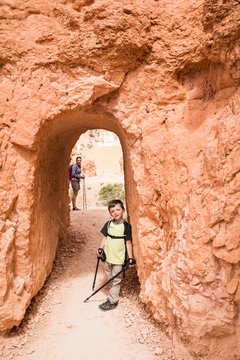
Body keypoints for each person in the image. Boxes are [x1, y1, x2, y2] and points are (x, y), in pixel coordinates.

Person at [97, 199, 135, 311]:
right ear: (110, 214)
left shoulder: (126, 227)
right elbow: (105, 238)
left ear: (123, 210)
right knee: (110, 278)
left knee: (116, 279)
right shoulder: (108, 224)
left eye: (118, 210)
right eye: (112, 211)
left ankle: (112, 301)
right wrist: (100, 249)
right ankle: (111, 296)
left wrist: (131, 258)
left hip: (119, 259)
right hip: (108, 257)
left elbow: (128, 243)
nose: (115, 212)